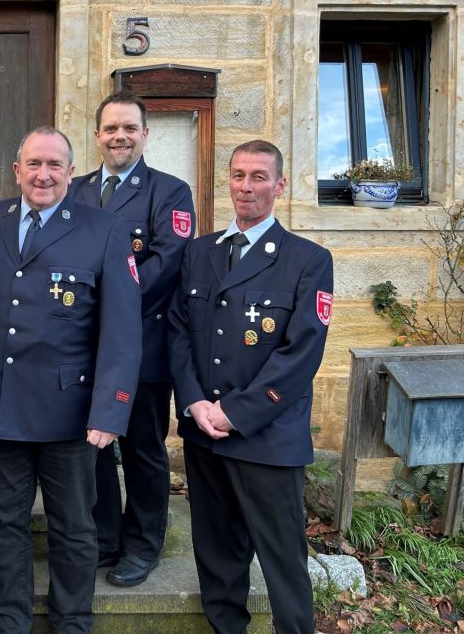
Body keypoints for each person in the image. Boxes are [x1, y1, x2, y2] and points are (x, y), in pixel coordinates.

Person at [0, 127, 142, 633]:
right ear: (17, 171)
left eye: (55, 164)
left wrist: (111, 410)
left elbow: (122, 332)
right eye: (33, 164)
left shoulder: (104, 228)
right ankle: (9, 619)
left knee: (75, 527)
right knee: (4, 522)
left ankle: (72, 621)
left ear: (71, 172)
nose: (43, 174)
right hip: (2, 404)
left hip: (71, 412)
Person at [168, 140, 333, 634]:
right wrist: (194, 401)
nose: (246, 187)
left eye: (259, 176)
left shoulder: (307, 259)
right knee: (217, 552)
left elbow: (301, 353)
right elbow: (178, 332)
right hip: (203, 432)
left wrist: (235, 412)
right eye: (238, 175)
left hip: (266, 436)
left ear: (280, 185)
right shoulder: (199, 252)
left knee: (282, 559)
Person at [70, 91, 195, 586]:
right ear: (97, 136)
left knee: (143, 447)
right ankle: (105, 538)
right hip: (84, 347)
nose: (119, 136)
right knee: (93, 445)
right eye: (110, 128)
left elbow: (166, 262)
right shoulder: (75, 190)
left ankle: (143, 544)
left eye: (129, 128)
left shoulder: (169, 192)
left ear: (145, 134)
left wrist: (103, 302)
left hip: (142, 342)